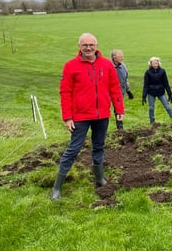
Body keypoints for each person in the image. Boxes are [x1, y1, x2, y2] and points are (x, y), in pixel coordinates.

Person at [52, 33, 124, 201]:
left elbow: (114, 88)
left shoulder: (106, 65)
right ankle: (57, 187)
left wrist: (119, 109)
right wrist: (67, 117)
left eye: (91, 45)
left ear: (96, 46)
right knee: (73, 149)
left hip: (102, 115)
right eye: (85, 45)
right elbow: (65, 92)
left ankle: (99, 178)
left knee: (99, 146)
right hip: (80, 116)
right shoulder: (70, 66)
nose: (88, 48)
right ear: (79, 47)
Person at [142, 57, 172, 124]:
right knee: (151, 108)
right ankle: (152, 121)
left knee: (167, 106)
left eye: (157, 62)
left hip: (161, 92)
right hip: (151, 92)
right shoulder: (148, 72)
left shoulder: (162, 71)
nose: (156, 63)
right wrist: (144, 95)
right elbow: (146, 85)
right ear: (151, 63)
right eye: (154, 62)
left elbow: (166, 83)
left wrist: (169, 93)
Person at [111, 49, 134, 130]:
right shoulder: (108, 66)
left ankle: (120, 127)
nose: (122, 58)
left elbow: (125, 79)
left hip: (120, 92)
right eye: (120, 56)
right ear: (114, 58)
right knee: (105, 109)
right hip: (108, 92)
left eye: (122, 56)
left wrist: (128, 90)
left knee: (118, 109)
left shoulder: (123, 66)